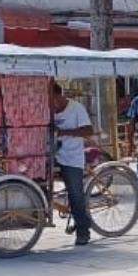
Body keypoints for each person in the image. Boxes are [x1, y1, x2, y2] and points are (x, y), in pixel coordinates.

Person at [50, 82, 95, 247]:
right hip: (54, 156)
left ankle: (83, 231)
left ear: (56, 95)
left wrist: (64, 132)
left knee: (76, 194)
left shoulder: (76, 109)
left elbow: (88, 130)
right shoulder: (48, 110)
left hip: (72, 158)